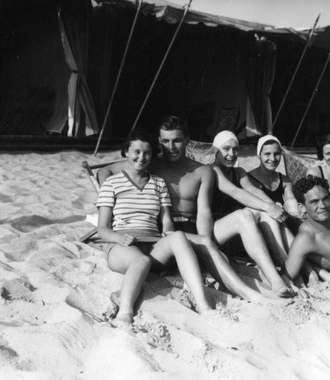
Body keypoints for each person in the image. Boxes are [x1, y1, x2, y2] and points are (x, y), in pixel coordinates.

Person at [100, 116, 289, 305]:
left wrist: (206, 242)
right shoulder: (151, 163)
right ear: (159, 141)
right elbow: (104, 171)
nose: (171, 146)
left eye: (177, 140)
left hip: (196, 227)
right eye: (165, 141)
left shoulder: (201, 171)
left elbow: (204, 212)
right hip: (168, 232)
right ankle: (250, 294)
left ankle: (276, 280)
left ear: (187, 140)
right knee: (203, 242)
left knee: (244, 216)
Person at [97, 131, 212, 326]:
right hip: (121, 246)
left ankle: (203, 305)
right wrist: (119, 238)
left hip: (152, 243)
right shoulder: (112, 183)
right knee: (140, 261)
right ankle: (125, 312)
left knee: (178, 238)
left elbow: (166, 220)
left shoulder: (158, 183)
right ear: (126, 152)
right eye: (136, 152)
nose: (141, 158)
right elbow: (102, 229)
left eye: (147, 153)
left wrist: (168, 232)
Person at [210, 130, 296, 298]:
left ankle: (289, 272)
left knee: (266, 213)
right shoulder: (212, 170)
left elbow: (252, 190)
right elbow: (234, 192)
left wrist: (272, 207)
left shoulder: (240, 172)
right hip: (214, 231)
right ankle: (275, 279)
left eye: (235, 150)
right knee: (245, 214)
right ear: (216, 150)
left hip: (235, 234)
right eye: (226, 149)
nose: (231, 154)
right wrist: (269, 206)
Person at [247, 135, 301, 258]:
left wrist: (294, 212)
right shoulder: (249, 179)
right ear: (259, 155)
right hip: (260, 231)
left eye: (277, 154)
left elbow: (291, 202)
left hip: (282, 225)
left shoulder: (284, 180)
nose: (272, 158)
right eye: (267, 154)